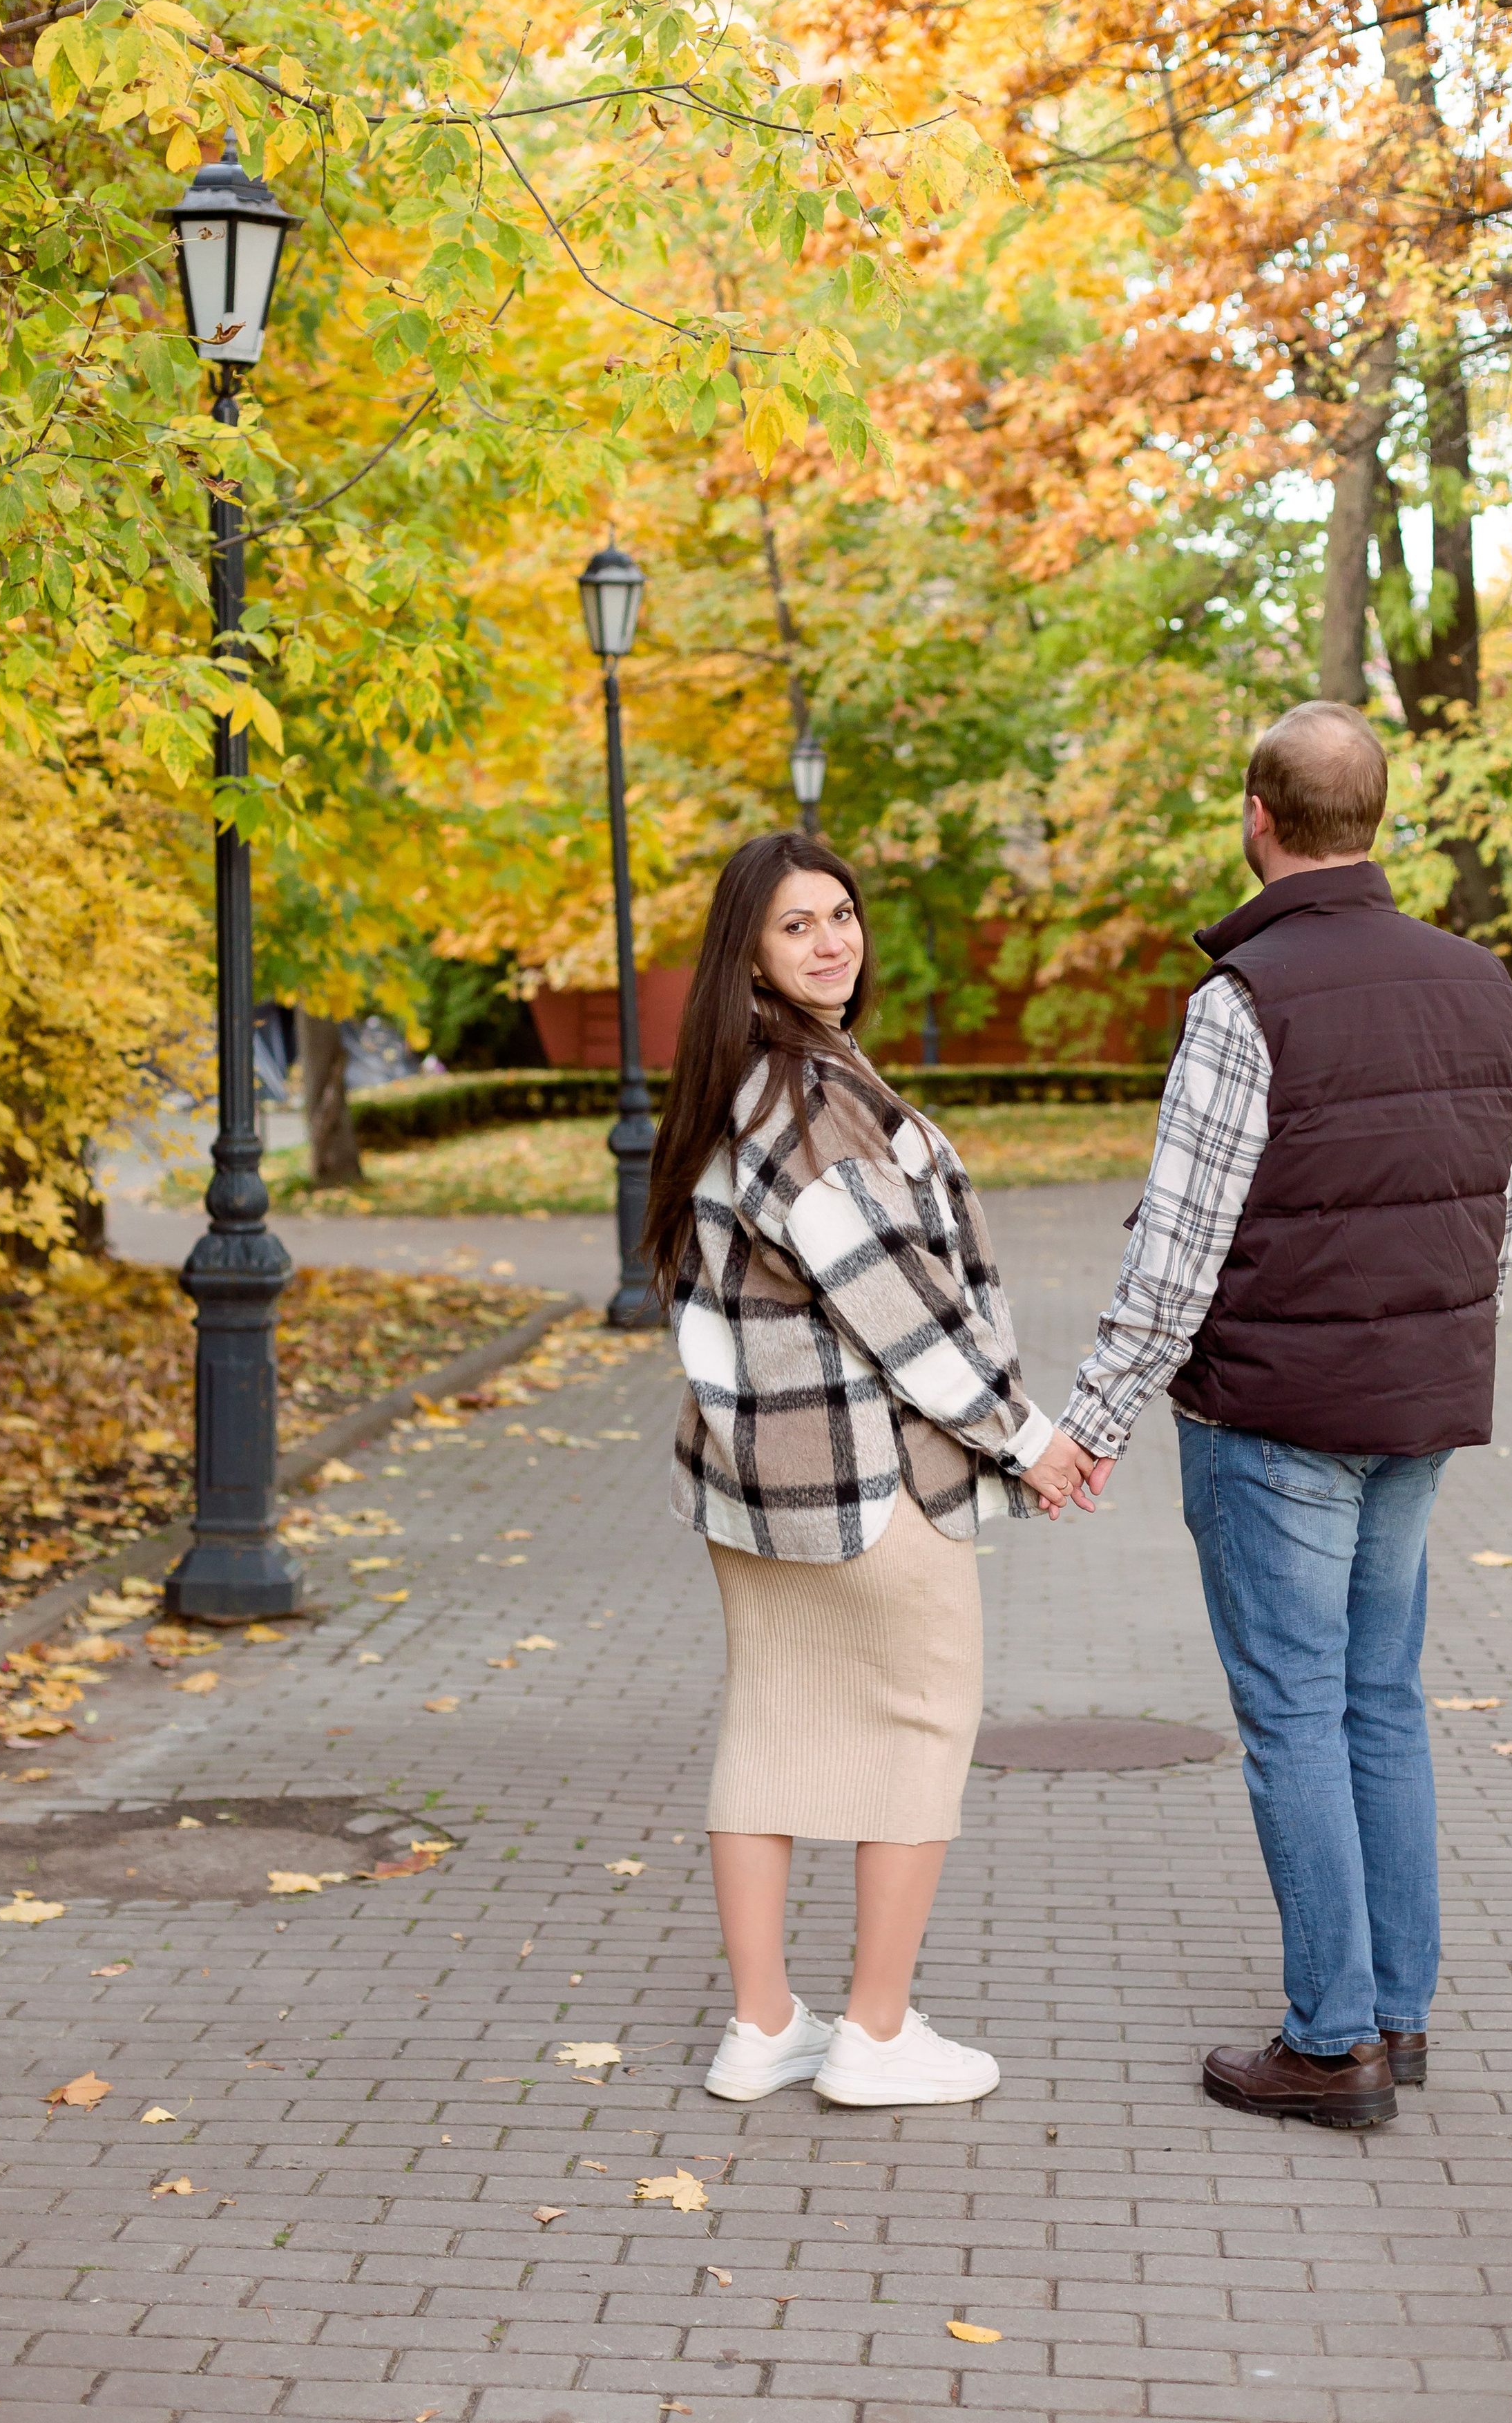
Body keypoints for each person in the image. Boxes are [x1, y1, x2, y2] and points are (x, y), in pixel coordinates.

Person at [1055, 702, 1512, 2131]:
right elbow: (1494, 1226)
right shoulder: (1477, 983)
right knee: (1378, 1703)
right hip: (1415, 1415)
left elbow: (1176, 1249)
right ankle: (1395, 2010)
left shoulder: (1240, 999)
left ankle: (1328, 2047)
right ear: (1372, 819)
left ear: (1256, 819)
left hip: (1274, 1419)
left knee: (1293, 1718)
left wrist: (1091, 1416)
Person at [643, 830, 1088, 2108]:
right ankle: (876, 2036)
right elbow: (895, 1305)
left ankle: (763, 2025)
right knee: (922, 1724)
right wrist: (1029, 1436)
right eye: (799, 924)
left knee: (770, 1727)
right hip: (865, 1482)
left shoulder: (743, 1084)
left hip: (754, 1485)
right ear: (751, 952)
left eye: (842, 914)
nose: (834, 939)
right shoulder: (807, 1101)